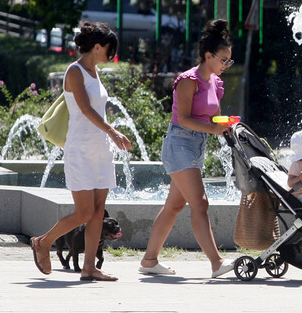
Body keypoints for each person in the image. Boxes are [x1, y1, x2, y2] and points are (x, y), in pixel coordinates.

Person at [30, 21, 133, 281]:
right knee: (84, 212)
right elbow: (86, 110)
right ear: (97, 47)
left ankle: (89, 267)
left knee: (98, 211)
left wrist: (108, 136)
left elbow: (96, 110)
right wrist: (114, 131)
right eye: (109, 49)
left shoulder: (95, 72)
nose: (111, 55)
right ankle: (43, 242)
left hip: (99, 150)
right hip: (80, 151)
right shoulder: (74, 72)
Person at [137, 19, 238, 278]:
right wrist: (213, 128)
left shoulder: (214, 82)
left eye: (229, 60)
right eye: (223, 60)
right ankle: (216, 263)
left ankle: (149, 260)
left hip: (196, 146)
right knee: (200, 203)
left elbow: (210, 117)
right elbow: (183, 118)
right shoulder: (188, 80)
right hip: (179, 143)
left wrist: (225, 124)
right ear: (208, 55)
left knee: (173, 206)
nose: (226, 65)